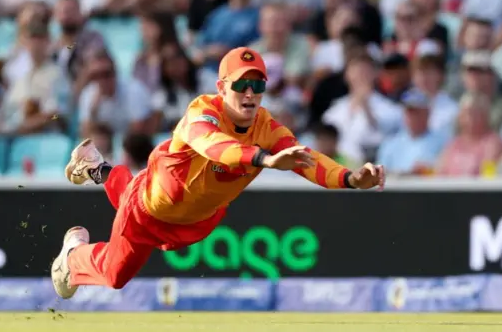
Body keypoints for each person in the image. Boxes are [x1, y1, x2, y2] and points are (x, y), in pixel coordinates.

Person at [52, 47, 386, 298]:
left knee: (143, 192)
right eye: (241, 84)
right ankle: (73, 256)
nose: (250, 93)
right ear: (222, 86)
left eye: (258, 84)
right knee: (115, 276)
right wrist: (264, 160)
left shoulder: (266, 125)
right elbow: (213, 145)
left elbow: (305, 158)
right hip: (148, 210)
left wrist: (351, 179)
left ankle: (96, 166)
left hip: (196, 218)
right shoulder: (202, 110)